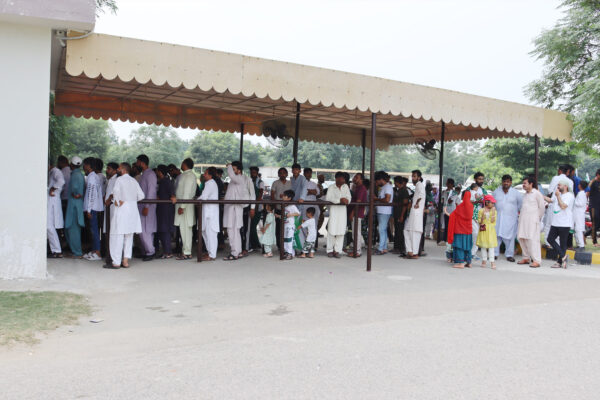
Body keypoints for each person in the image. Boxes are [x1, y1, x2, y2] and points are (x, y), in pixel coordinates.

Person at [107, 162, 145, 269]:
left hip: (122, 210)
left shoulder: (119, 180)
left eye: (119, 168)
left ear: (123, 170)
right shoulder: (133, 180)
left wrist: (118, 202)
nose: (117, 169)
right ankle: (125, 261)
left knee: (117, 235)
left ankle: (116, 262)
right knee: (129, 236)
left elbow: (116, 193)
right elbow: (141, 195)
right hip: (132, 210)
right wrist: (131, 200)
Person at [223, 161, 255, 260]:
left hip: (237, 208)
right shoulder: (234, 180)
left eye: (234, 169)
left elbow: (252, 194)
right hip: (232, 208)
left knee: (234, 231)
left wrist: (228, 166)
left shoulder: (240, 179)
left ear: (239, 170)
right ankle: (236, 251)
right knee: (233, 231)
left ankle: (235, 252)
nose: (231, 171)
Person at [544, 178, 574, 268]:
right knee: (550, 239)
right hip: (555, 222)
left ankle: (559, 262)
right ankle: (563, 256)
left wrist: (558, 196)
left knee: (563, 243)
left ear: (565, 186)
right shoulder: (558, 194)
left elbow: (563, 206)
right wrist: (539, 194)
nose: (558, 186)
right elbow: (550, 200)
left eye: (559, 185)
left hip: (564, 223)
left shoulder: (569, 196)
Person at [517, 176, 546, 268]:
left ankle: (537, 260)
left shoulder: (537, 194)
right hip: (523, 220)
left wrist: (537, 218)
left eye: (525, 183)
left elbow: (542, 208)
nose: (523, 185)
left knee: (532, 240)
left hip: (533, 220)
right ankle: (526, 257)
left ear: (531, 184)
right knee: (522, 238)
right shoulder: (525, 195)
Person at [171, 158, 197, 260]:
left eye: (182, 163)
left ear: (185, 164)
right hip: (183, 204)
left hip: (185, 206)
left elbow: (187, 193)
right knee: (183, 230)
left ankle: (187, 252)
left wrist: (182, 206)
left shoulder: (189, 176)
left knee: (186, 230)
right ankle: (185, 251)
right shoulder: (185, 175)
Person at [492, 175, 522, 262]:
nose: (506, 183)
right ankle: (494, 254)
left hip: (511, 219)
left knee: (510, 238)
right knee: (496, 237)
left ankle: (509, 255)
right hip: (498, 219)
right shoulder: (496, 192)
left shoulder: (516, 193)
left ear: (511, 183)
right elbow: (492, 204)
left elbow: (520, 205)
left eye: (508, 181)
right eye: (504, 181)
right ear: (502, 182)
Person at [135, 154, 157, 261]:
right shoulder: (144, 174)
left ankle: (150, 252)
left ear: (142, 163)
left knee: (146, 230)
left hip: (147, 207)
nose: (136, 164)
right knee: (142, 230)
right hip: (141, 206)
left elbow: (152, 191)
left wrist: (147, 206)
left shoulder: (151, 174)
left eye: (137, 162)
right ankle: (145, 251)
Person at [196, 167, 219, 261]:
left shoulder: (210, 184)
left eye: (205, 173)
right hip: (208, 213)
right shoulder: (209, 183)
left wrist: (196, 200)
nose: (204, 175)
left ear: (210, 175)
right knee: (205, 233)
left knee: (211, 234)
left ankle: (212, 255)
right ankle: (210, 253)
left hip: (210, 213)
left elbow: (204, 197)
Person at [326, 172, 352, 258]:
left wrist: (347, 201)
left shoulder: (346, 187)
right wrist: (339, 200)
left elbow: (349, 197)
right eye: (342, 178)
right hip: (334, 211)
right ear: (337, 179)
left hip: (342, 211)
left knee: (341, 231)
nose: (344, 180)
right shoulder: (331, 187)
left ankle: (337, 251)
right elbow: (328, 198)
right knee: (331, 230)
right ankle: (329, 250)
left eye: (344, 178)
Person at [543, 165, 570, 246]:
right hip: (565, 206)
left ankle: (548, 243)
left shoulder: (556, 178)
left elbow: (550, 190)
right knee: (559, 226)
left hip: (555, 205)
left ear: (560, 171)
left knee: (549, 224)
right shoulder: (570, 181)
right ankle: (557, 243)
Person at [82, 157, 104, 261]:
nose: (83, 166)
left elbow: (91, 194)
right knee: (93, 229)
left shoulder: (91, 177)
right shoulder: (94, 176)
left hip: (93, 208)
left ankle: (98, 253)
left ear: (89, 166)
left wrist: (89, 209)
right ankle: (94, 251)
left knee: (94, 230)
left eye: (85, 164)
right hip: (94, 207)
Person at [64, 157, 85, 258]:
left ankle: (77, 252)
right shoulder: (79, 174)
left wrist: (75, 194)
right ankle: (75, 251)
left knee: (73, 229)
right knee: (73, 229)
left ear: (71, 164)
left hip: (74, 206)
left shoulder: (75, 175)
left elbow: (76, 191)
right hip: (76, 205)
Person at [447, 191, 474, 269]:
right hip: (468, 231)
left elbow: (453, 215)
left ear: (462, 197)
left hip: (459, 230)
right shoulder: (471, 206)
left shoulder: (460, 207)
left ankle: (460, 263)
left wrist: (446, 212)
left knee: (460, 246)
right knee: (467, 246)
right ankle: (469, 262)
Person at [404, 170, 425, 259]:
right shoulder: (417, 185)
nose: (413, 178)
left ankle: (414, 253)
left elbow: (421, 195)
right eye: (412, 176)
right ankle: (411, 252)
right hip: (415, 211)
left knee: (414, 232)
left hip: (416, 211)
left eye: (414, 176)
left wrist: (417, 203)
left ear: (419, 178)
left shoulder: (420, 185)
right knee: (407, 230)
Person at [155, 165, 175, 259]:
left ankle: (168, 252)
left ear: (160, 172)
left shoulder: (166, 181)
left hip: (166, 209)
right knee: (163, 230)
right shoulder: (163, 181)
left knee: (165, 230)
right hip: (162, 209)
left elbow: (172, 195)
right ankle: (166, 251)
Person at [47, 162, 65, 258]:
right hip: (51, 201)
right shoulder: (52, 172)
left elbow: (61, 181)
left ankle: (57, 251)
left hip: (53, 201)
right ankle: (56, 250)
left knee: (49, 226)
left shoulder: (56, 171)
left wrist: (53, 189)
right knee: (49, 226)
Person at [347, 173, 368, 257]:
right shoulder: (357, 188)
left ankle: (357, 251)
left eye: (357, 177)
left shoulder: (361, 188)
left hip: (357, 213)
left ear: (361, 179)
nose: (354, 178)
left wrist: (352, 213)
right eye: (354, 177)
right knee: (355, 233)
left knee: (356, 233)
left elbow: (358, 202)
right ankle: (357, 250)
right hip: (357, 213)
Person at [270, 167, 291, 247]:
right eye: (280, 173)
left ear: (287, 174)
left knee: (288, 227)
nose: (282, 174)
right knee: (279, 227)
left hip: (288, 209)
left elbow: (293, 194)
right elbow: (272, 194)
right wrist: (274, 205)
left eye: (284, 173)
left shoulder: (290, 183)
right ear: (278, 174)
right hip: (278, 208)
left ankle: (287, 245)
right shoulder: (275, 183)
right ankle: (279, 246)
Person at [374, 171, 393, 255]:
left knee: (381, 230)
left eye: (377, 181)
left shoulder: (387, 187)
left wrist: (376, 199)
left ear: (381, 179)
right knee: (383, 230)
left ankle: (381, 248)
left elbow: (387, 200)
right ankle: (384, 247)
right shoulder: (384, 187)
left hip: (384, 212)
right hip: (382, 211)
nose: (376, 183)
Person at [476, 195, 498, 269]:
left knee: (491, 246)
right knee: (483, 246)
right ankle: (484, 260)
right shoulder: (481, 210)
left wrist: (492, 214)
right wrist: (483, 217)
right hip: (483, 229)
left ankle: (492, 261)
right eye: (492, 203)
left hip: (491, 230)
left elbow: (493, 222)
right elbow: (479, 222)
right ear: (486, 202)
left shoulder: (494, 211)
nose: (493, 204)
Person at [470, 172, 487, 258]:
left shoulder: (483, 191)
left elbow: (487, 202)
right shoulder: (469, 190)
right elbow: (466, 200)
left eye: (482, 179)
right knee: (474, 233)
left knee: (479, 233)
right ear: (475, 179)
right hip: (471, 215)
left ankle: (473, 253)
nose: (481, 181)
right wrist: (477, 201)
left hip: (481, 215)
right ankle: (470, 252)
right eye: (479, 179)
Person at [248, 166, 265, 250]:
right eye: (251, 172)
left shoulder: (260, 182)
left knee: (252, 226)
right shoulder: (249, 181)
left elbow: (260, 195)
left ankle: (255, 244)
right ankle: (254, 244)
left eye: (254, 172)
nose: (252, 174)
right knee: (250, 226)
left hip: (257, 207)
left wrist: (255, 206)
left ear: (257, 173)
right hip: (249, 205)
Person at [280, 189, 300, 260]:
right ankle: (287, 252)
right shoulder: (284, 206)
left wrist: (290, 214)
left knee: (289, 239)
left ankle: (290, 253)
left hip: (290, 225)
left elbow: (298, 213)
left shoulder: (292, 206)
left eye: (284, 196)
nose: (283, 197)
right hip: (285, 225)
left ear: (289, 198)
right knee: (285, 239)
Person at [442, 179, 460, 243]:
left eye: (447, 183)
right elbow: (442, 200)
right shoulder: (444, 191)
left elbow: (450, 201)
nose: (446, 184)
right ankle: (444, 239)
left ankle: (451, 239)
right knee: (446, 226)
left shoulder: (454, 193)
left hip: (452, 211)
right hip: (445, 210)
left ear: (451, 184)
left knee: (452, 226)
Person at [573, 180, 588, 250]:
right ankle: (579, 244)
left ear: (581, 186)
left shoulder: (581, 194)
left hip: (579, 214)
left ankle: (581, 245)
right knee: (576, 229)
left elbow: (580, 204)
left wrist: (574, 201)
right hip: (577, 214)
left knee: (578, 229)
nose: (578, 185)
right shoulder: (581, 193)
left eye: (579, 184)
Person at [588, 169, 600, 247]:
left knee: (598, 224)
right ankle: (594, 241)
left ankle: (585, 234)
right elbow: (587, 193)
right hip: (593, 206)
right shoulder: (592, 182)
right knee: (594, 224)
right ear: (598, 175)